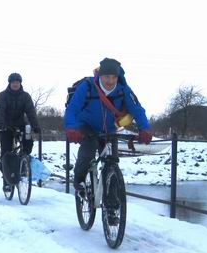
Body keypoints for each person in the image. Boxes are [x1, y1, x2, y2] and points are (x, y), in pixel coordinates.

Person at [64, 57, 152, 193]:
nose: (110, 81)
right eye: (106, 77)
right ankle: (79, 180)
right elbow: (72, 109)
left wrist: (144, 129)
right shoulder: (87, 87)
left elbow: (137, 109)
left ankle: (112, 194)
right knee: (89, 148)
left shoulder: (124, 90)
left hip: (110, 129)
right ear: (100, 75)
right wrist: (71, 128)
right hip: (86, 124)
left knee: (112, 160)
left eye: (113, 77)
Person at [0, 72, 41, 190]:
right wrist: (1, 126)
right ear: (9, 83)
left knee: (28, 142)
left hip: (20, 124)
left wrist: (35, 126)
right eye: (13, 82)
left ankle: (22, 164)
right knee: (5, 150)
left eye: (17, 82)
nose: (15, 84)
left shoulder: (25, 96)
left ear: (20, 83)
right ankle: (6, 179)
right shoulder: (3, 96)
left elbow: (31, 112)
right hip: (6, 125)